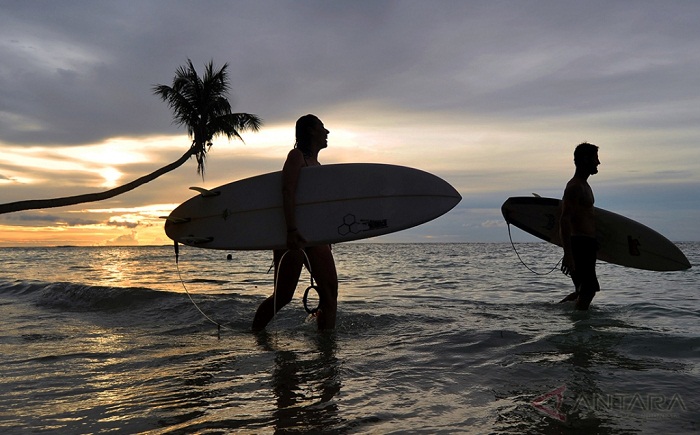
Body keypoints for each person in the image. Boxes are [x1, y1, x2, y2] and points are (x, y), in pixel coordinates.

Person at [252, 114, 339, 331]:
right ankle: (254, 335)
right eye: (322, 127)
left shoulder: (317, 164)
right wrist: (291, 229)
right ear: (310, 131)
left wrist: (329, 236)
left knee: (329, 294)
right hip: (293, 234)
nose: (326, 132)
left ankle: (325, 350)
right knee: (283, 297)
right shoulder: (296, 156)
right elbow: (287, 191)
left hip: (314, 235)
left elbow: (315, 207)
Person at [559, 142, 601, 310]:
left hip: (587, 245)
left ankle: (553, 313)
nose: (598, 162)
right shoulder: (575, 187)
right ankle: (579, 326)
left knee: (582, 290)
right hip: (579, 245)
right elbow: (564, 219)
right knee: (588, 290)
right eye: (595, 158)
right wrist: (568, 254)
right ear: (585, 160)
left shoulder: (585, 185)